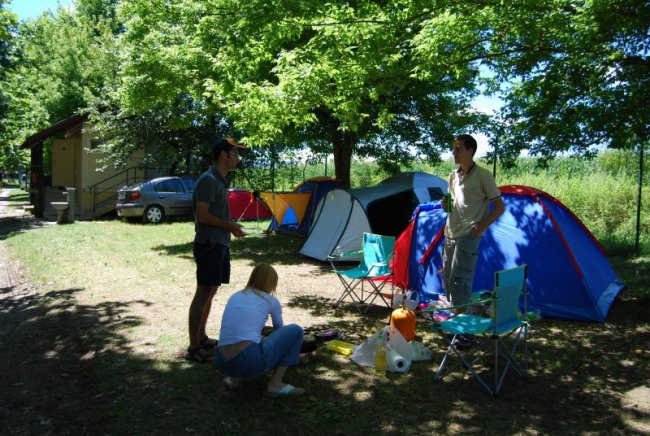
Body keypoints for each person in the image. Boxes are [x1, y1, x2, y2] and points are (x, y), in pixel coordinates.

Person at [186, 137, 247, 363]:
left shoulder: (219, 181)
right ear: (223, 155)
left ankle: (201, 337)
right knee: (203, 291)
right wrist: (230, 225)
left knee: (211, 290)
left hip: (219, 243)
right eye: (235, 154)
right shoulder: (209, 180)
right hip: (209, 244)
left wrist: (230, 228)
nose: (237, 159)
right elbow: (202, 215)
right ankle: (193, 347)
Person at [441, 134, 505, 344]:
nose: (454, 152)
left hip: (468, 236)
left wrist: (480, 227)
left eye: (458, 149)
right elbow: (451, 204)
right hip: (449, 233)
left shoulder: (483, 175)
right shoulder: (453, 175)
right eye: (454, 149)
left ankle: (465, 335)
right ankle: (458, 324)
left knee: (461, 283)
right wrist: (446, 206)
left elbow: (499, 207)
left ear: (470, 151)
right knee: (449, 281)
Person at [214, 264, 305, 397]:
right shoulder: (271, 300)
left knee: (242, 338)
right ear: (271, 283)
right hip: (248, 361)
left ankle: (233, 379)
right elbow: (280, 329)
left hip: (221, 361)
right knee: (296, 331)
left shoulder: (236, 295)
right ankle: (275, 384)